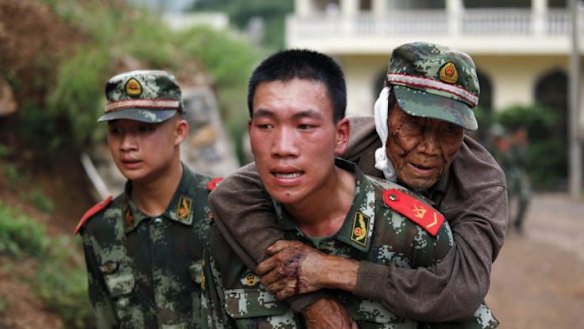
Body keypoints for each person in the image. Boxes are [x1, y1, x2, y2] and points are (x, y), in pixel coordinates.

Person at [209, 41, 508, 324]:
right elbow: (233, 193)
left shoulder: (481, 183)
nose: (429, 148)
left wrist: (333, 271)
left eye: (449, 130)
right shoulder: (346, 141)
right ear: (385, 111)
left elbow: (463, 289)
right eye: (415, 125)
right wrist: (310, 296)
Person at [74, 70, 217, 328]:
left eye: (144, 128)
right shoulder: (101, 229)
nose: (127, 144)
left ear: (179, 132)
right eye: (117, 130)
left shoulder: (222, 211)